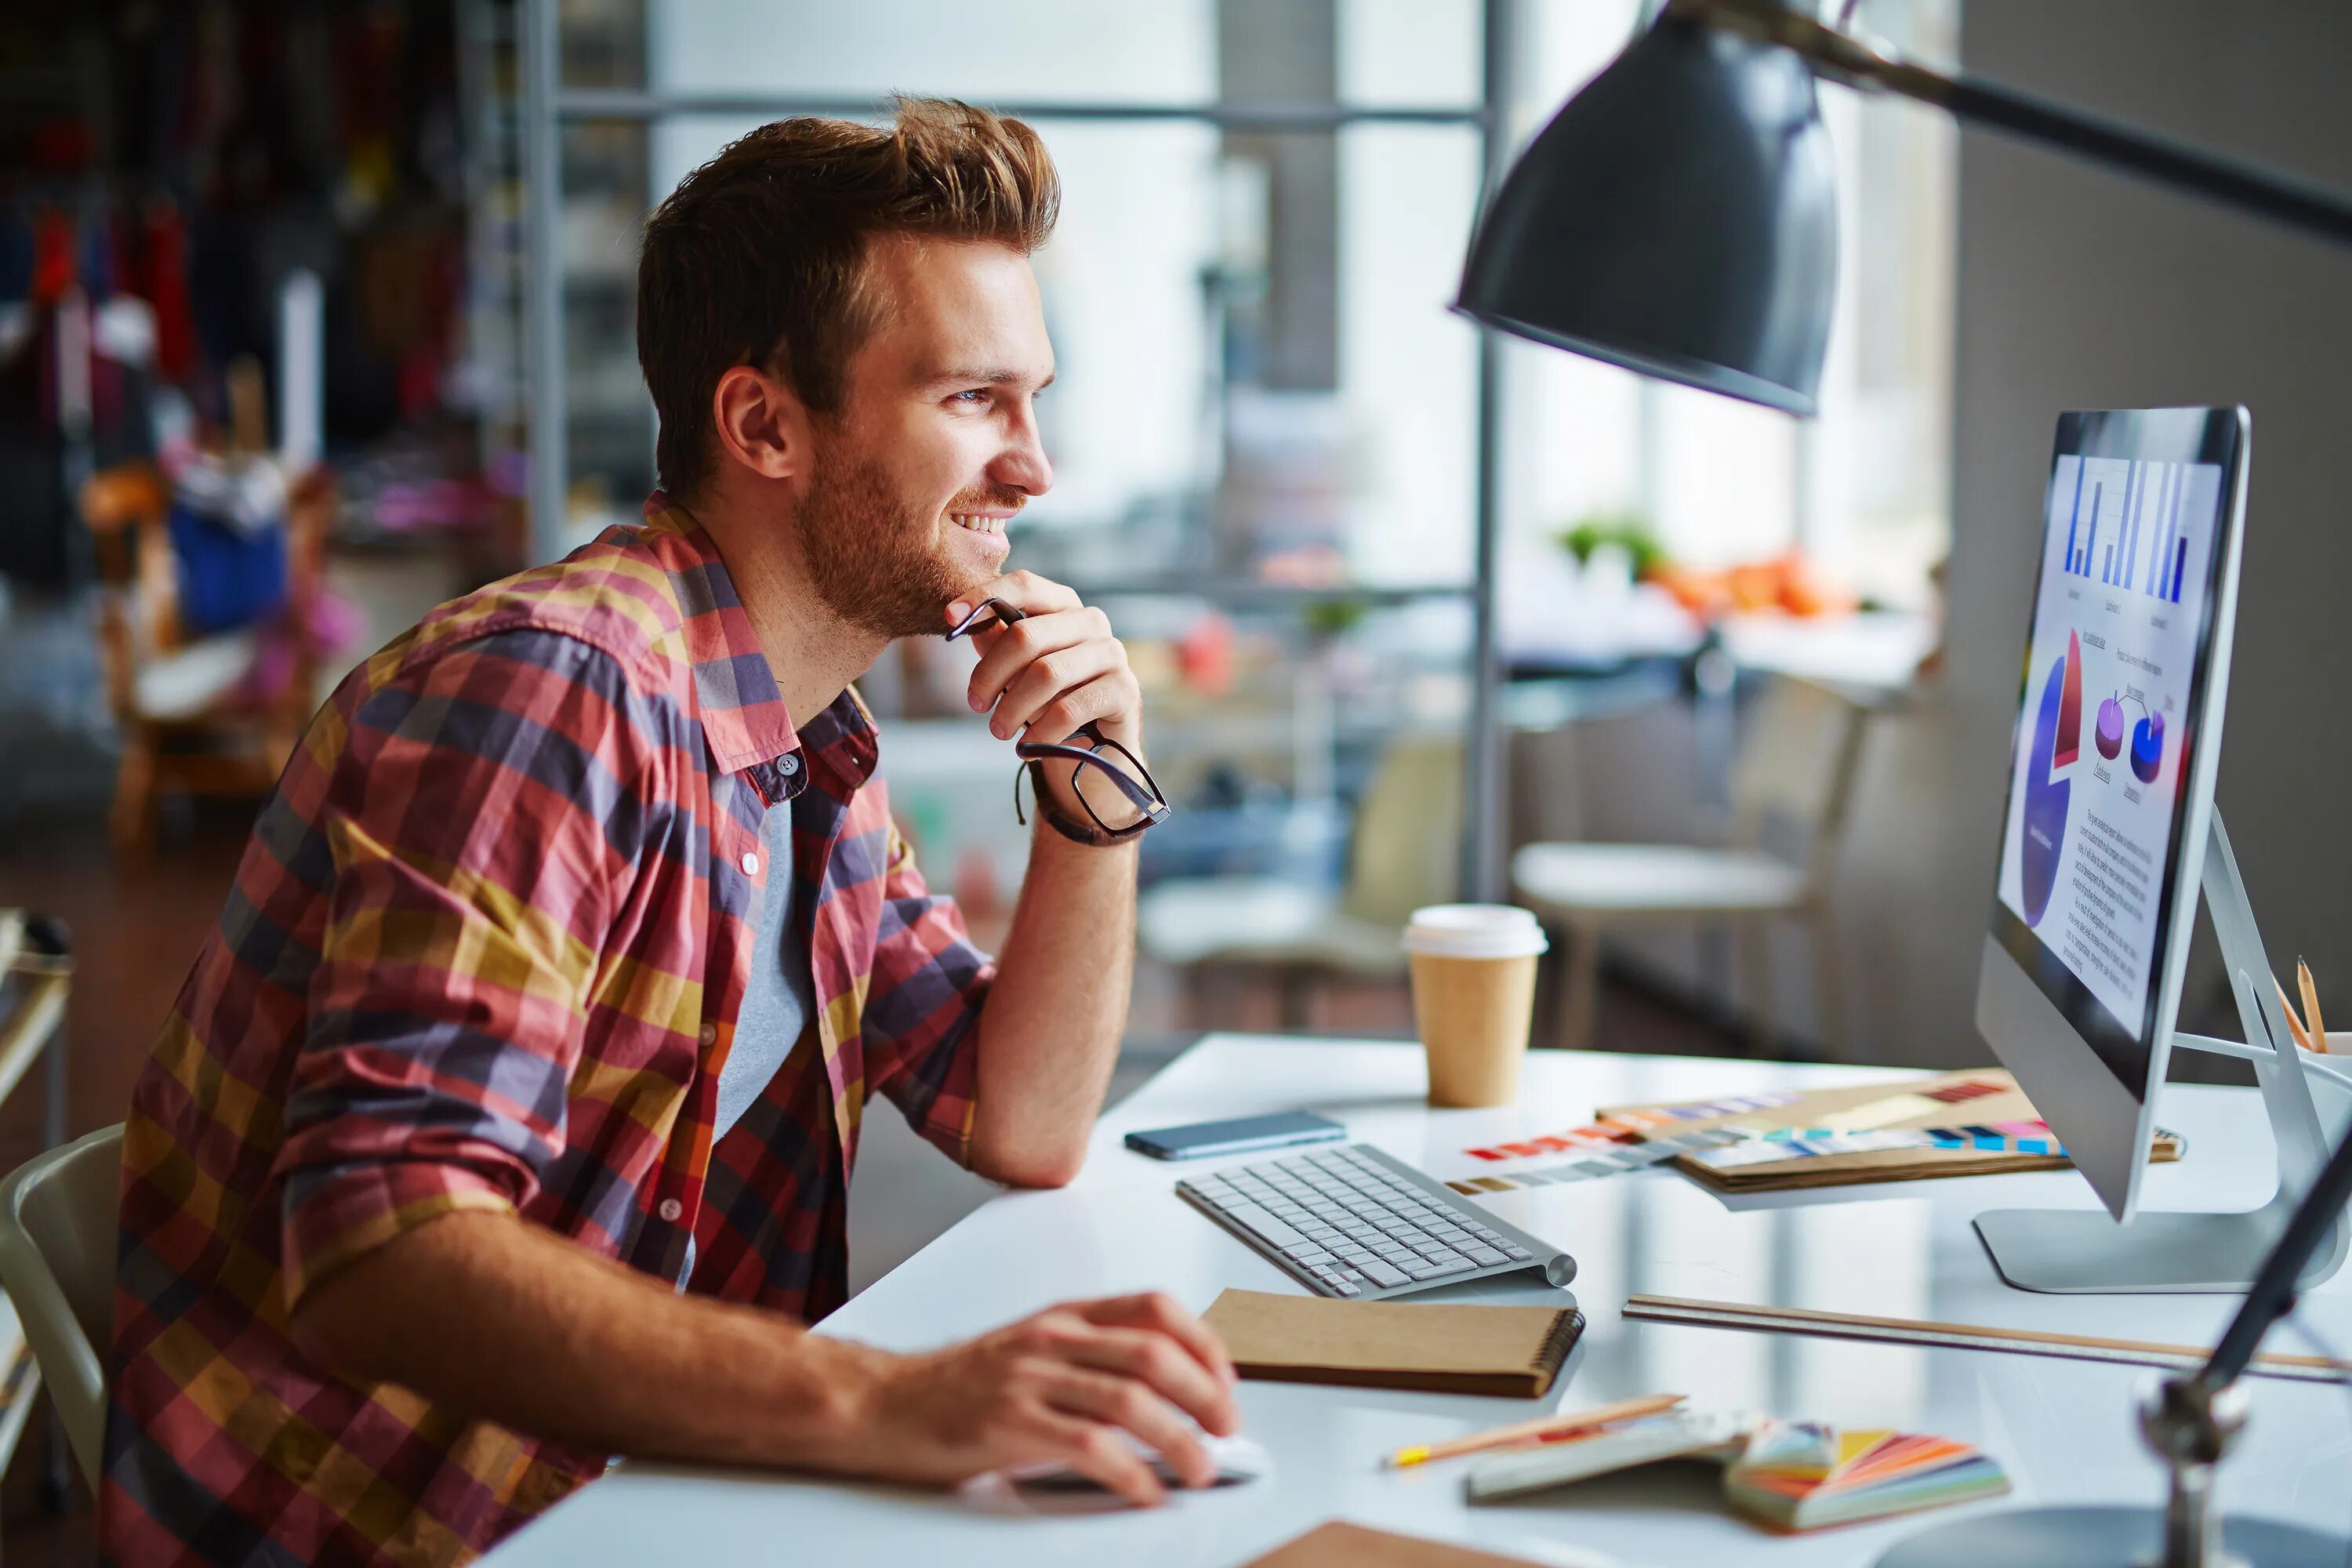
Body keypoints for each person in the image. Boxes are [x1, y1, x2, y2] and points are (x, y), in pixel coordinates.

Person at [103, 98, 1236, 1568]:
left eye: (1033, 401)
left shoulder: (805, 742)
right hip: (399, 1522)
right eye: (972, 400)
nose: (1034, 469)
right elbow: (381, 1248)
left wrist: (1093, 795)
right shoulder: (553, 693)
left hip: (647, 1492)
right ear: (764, 421)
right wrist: (889, 1403)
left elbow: (1019, 1119)